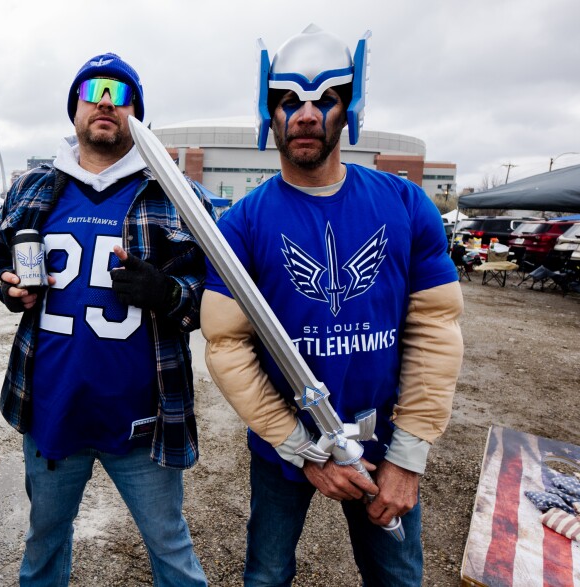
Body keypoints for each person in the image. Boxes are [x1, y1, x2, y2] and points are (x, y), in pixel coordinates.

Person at [201, 25, 464, 586]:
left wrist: (408, 455)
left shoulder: (406, 204)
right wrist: (300, 447)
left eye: (325, 99)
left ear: (349, 108)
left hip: (383, 444)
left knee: (397, 578)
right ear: (268, 112)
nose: (305, 114)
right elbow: (227, 346)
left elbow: (435, 330)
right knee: (266, 574)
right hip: (287, 446)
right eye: (288, 100)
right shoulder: (242, 224)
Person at [0, 53, 209, 586]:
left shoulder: (177, 194)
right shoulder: (32, 188)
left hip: (142, 419)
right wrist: (8, 289)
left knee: (171, 549)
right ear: (74, 111)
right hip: (52, 410)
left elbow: (218, 297)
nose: (105, 103)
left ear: (137, 113)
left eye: (120, 93)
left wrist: (170, 293)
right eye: (93, 92)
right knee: (43, 546)